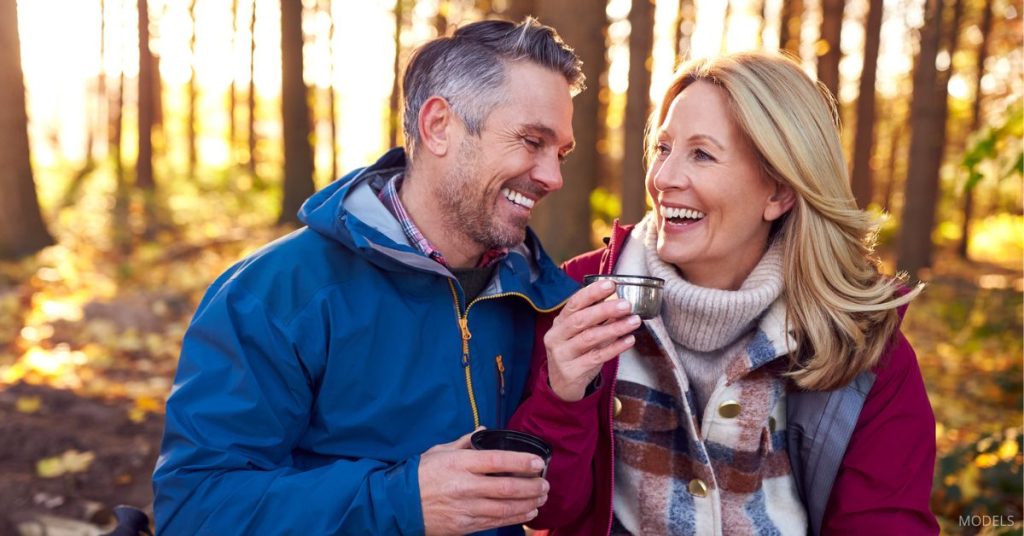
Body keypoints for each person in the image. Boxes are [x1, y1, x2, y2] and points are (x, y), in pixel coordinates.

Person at [153, 18, 586, 535]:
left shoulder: (540, 298)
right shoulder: (276, 294)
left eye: (559, 153)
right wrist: (400, 501)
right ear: (439, 126)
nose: (553, 177)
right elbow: (195, 509)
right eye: (531, 140)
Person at [508, 52, 939, 535]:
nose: (665, 178)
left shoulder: (861, 343)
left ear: (778, 192)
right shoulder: (581, 296)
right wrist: (563, 394)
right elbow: (548, 511)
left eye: (702, 154)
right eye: (665, 148)